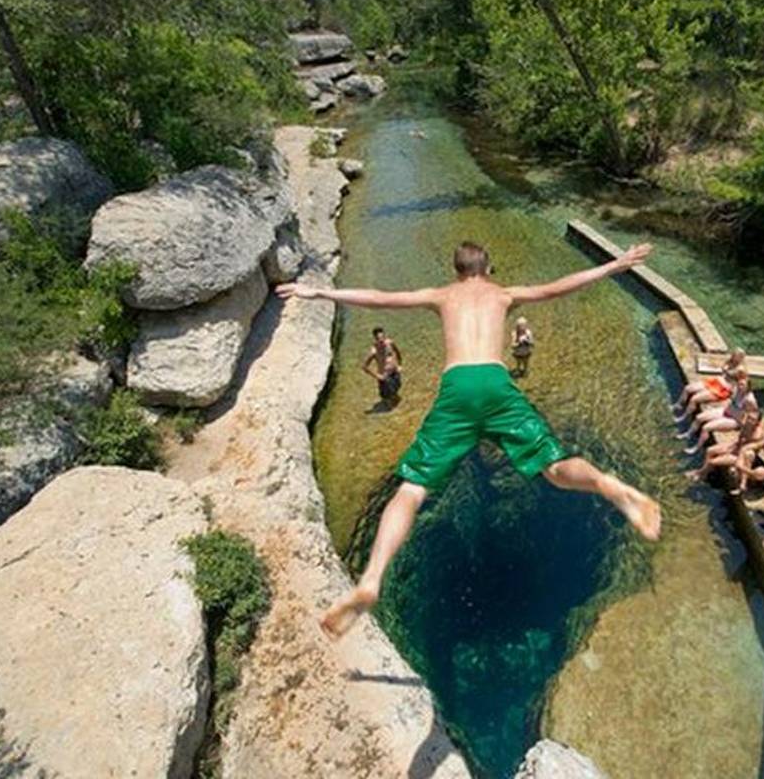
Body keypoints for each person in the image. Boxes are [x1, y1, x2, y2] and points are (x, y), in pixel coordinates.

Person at [276, 240, 663, 638]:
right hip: (496, 383)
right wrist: (614, 266)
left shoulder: (441, 295)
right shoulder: (503, 295)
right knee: (553, 466)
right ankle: (607, 485)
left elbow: (379, 297)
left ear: (456, 270)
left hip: (457, 387)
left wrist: (319, 292)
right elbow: (559, 286)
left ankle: (372, 577)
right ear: (488, 268)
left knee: (412, 488)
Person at [677, 367, 758, 454]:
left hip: (734, 420)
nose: (739, 386)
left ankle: (696, 448)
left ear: (748, 387)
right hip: (726, 411)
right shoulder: (736, 390)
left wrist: (745, 427)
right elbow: (726, 392)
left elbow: (754, 414)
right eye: (739, 383)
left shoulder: (750, 400)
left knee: (706, 428)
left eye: (742, 385)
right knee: (699, 418)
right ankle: (688, 434)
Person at [684, 410, 764, 483]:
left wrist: (731, 452)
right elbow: (740, 439)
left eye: (752, 419)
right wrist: (732, 446)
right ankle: (704, 474)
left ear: (757, 422)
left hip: (741, 456)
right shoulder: (745, 425)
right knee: (709, 450)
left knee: (712, 461)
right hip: (737, 447)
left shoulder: (757, 435)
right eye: (749, 418)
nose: (749, 420)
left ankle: (700, 473)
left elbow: (747, 450)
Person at [672, 348, 746, 423]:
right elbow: (723, 370)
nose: (733, 356)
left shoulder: (740, 370)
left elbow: (742, 384)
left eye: (735, 355)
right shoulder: (729, 361)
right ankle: (679, 405)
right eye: (733, 354)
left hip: (722, 389)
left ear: (740, 358)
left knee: (694, 399)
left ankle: (684, 417)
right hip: (715, 381)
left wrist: (733, 397)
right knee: (688, 388)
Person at [363, 326, 403, 403]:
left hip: (395, 372)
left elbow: (398, 352)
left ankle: (394, 399)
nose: (381, 340)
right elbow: (364, 367)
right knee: (387, 396)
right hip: (385, 377)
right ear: (375, 339)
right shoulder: (374, 351)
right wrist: (377, 376)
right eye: (379, 339)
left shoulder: (390, 343)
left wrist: (400, 365)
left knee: (397, 387)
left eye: (383, 338)